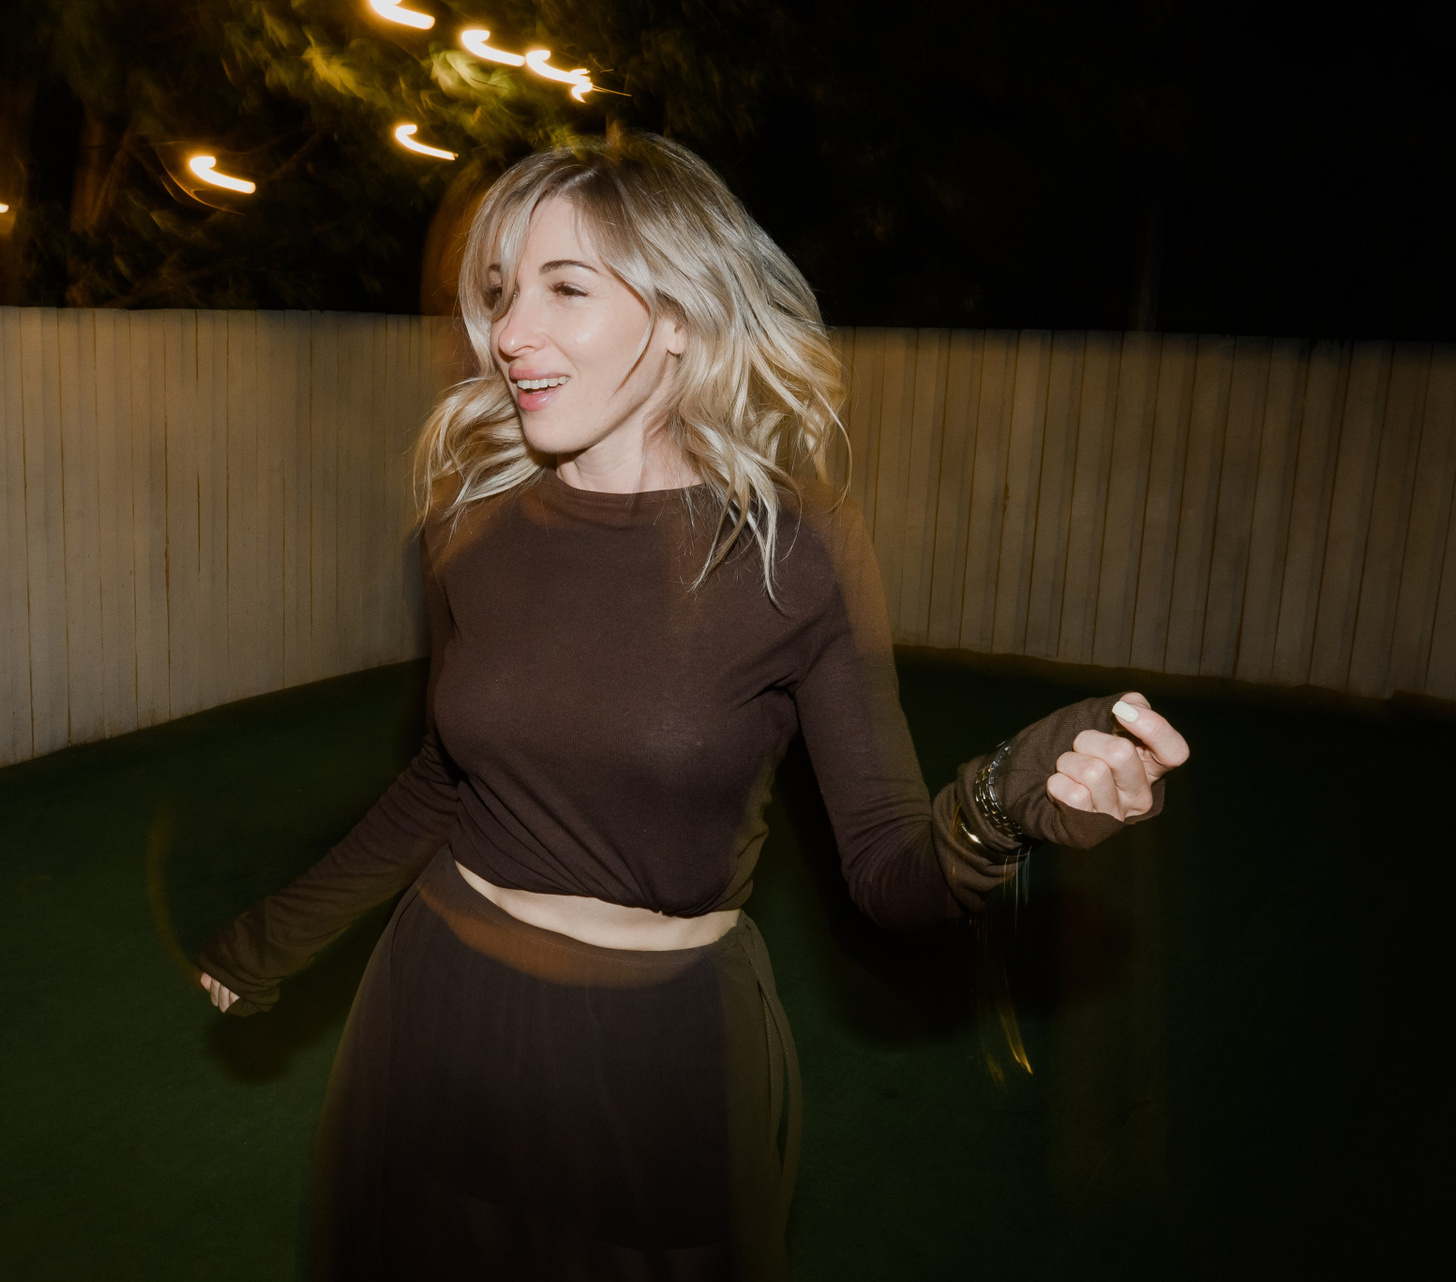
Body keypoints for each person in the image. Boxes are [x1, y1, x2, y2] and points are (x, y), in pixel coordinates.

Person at [195, 129, 1190, 1281]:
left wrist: (1004, 801)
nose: (510, 332)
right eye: (503, 292)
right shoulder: (468, 525)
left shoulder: (798, 551)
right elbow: (443, 778)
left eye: (566, 288)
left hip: (661, 1048)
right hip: (442, 1004)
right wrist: (277, 934)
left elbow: (889, 871)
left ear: (677, 315)